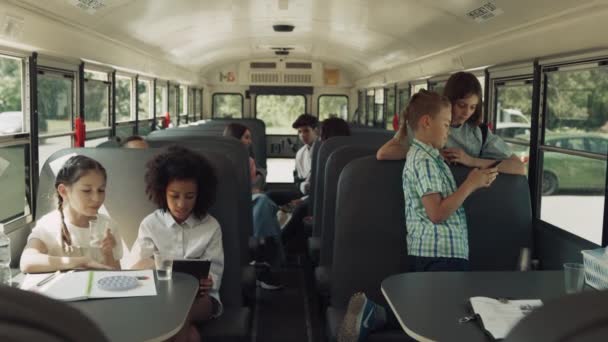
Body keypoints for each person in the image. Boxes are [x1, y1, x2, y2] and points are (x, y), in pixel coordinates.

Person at [338, 91, 498, 342]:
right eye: (445, 124)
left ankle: (375, 314)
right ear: (426, 122)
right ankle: (374, 314)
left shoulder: (427, 156)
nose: (448, 131)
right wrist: (470, 184)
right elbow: (436, 213)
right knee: (444, 319)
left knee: (430, 312)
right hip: (440, 252)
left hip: (435, 250)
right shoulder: (424, 160)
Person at [131, 146, 223, 342]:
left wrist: (209, 280)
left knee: (180, 312)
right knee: (191, 336)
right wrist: (152, 266)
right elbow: (138, 269)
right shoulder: (150, 225)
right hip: (160, 298)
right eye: (174, 196)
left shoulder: (211, 226)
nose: (182, 204)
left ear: (200, 195)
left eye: (190, 196)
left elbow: (215, 272)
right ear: (162, 192)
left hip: (201, 301)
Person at [376, 72, 526, 175]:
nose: (467, 112)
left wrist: (471, 160)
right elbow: (384, 153)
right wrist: (434, 153)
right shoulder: (426, 126)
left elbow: (519, 167)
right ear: (450, 100)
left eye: (473, 107)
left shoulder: (480, 133)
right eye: (462, 105)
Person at [20, 155, 122, 273]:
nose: (96, 198)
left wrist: (108, 253)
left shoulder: (108, 225)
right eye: (86, 191)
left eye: (101, 190)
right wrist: (81, 262)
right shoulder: (49, 225)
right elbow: (27, 262)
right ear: (63, 191)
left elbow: (116, 273)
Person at [223, 123, 284, 290]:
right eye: (246, 137)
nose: (249, 142)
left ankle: (264, 254)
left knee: (263, 202)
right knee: (266, 204)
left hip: (245, 201)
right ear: (235, 139)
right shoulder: (219, 159)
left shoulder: (249, 161)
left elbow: (251, 189)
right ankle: (268, 253)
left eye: (250, 138)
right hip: (227, 203)